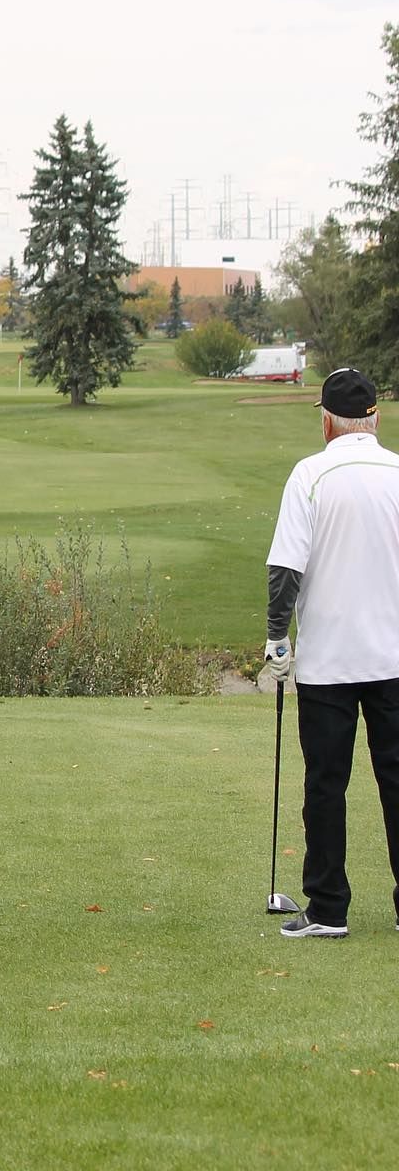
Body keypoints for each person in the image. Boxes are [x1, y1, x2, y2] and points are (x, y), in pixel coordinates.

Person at [264, 366, 399, 938]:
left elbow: (285, 567)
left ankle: (328, 909)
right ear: (374, 417)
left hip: (327, 664)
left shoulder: (310, 474)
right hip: (394, 660)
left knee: (326, 783)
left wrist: (276, 639)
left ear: (325, 421)